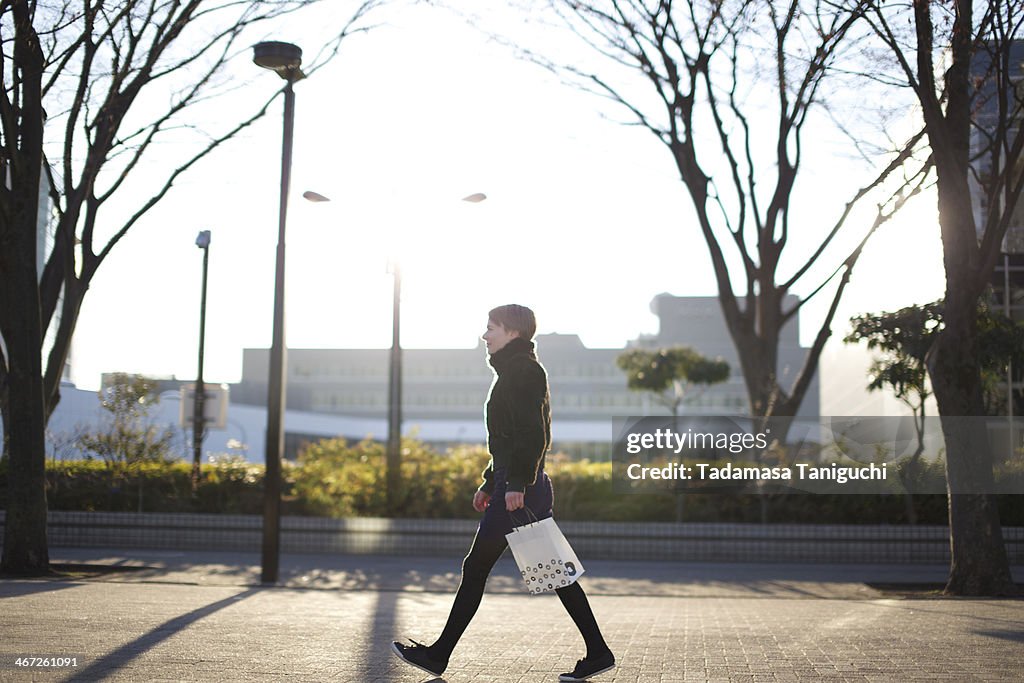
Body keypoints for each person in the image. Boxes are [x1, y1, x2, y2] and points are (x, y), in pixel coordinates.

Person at [391, 304, 615, 682]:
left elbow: (533, 434)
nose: (485, 334)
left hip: (520, 491)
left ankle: (439, 655)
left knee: (482, 568)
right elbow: (507, 440)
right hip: (515, 486)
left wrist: (515, 486)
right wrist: (489, 481)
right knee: (549, 573)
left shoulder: (524, 371)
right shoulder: (514, 370)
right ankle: (597, 652)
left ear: (513, 332)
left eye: (491, 327)